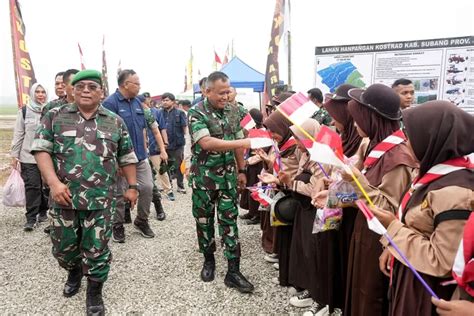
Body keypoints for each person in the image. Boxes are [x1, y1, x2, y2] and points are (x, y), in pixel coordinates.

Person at [31, 69, 138, 316]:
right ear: (72, 90)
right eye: (80, 87)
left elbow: (127, 156)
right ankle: (74, 270)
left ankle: (94, 292)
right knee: (63, 248)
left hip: (102, 200)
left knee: (97, 249)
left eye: (92, 86)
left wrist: (132, 187)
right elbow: (41, 150)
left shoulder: (114, 121)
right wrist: (54, 184)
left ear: (102, 92)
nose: (86, 91)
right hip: (63, 198)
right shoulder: (54, 116)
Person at [370, 101, 474, 316]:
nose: (404, 143)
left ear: (433, 138)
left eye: (410, 136)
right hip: (413, 274)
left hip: (428, 293)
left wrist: (392, 229)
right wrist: (392, 247)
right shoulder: (433, 175)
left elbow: (443, 261)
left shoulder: (455, 192)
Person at [344, 83, 419, 316]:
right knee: (359, 290)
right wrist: (336, 196)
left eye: (359, 119)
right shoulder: (375, 147)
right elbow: (365, 193)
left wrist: (357, 181)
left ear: (372, 118)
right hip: (365, 230)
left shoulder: (398, 157)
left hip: (381, 240)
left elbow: (390, 207)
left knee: (371, 296)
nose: (355, 125)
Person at [188, 71, 254, 293]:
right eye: (221, 93)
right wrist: (244, 141)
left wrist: (242, 169)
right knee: (204, 222)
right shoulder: (196, 112)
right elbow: (206, 143)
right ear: (207, 91)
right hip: (204, 180)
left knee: (230, 223)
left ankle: (233, 271)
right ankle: (209, 260)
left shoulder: (234, 110)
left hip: (228, 180)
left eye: (229, 91)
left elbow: (237, 142)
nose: (226, 96)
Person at [103, 69, 167, 241]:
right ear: (125, 84)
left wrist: (162, 149)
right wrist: (115, 162)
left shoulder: (138, 103)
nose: (139, 87)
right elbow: (106, 136)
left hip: (140, 156)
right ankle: (117, 225)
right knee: (119, 192)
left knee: (147, 187)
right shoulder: (110, 104)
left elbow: (150, 127)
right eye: (137, 83)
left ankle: (141, 220)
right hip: (120, 160)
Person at [10, 83, 49, 231]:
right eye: (37, 92)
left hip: (47, 157)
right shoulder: (25, 111)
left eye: (43, 92)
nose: (40, 94)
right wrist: (15, 155)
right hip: (28, 156)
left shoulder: (51, 110)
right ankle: (31, 218)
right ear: (32, 94)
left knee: (46, 187)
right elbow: (19, 134)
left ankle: (44, 209)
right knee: (32, 186)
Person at [239, 108, 265, 225]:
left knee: (256, 188)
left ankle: (257, 215)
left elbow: (260, 154)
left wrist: (247, 161)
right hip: (251, 165)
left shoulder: (262, 132)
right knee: (249, 188)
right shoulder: (253, 131)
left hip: (258, 165)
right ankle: (251, 211)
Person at [157, 92, 188, 194]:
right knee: (165, 165)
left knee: (179, 165)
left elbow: (184, 128)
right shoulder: (159, 113)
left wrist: (186, 141)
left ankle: (180, 185)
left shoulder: (180, 113)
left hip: (178, 144)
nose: (164, 102)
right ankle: (168, 185)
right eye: (163, 100)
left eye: (167, 100)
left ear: (173, 102)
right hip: (164, 145)